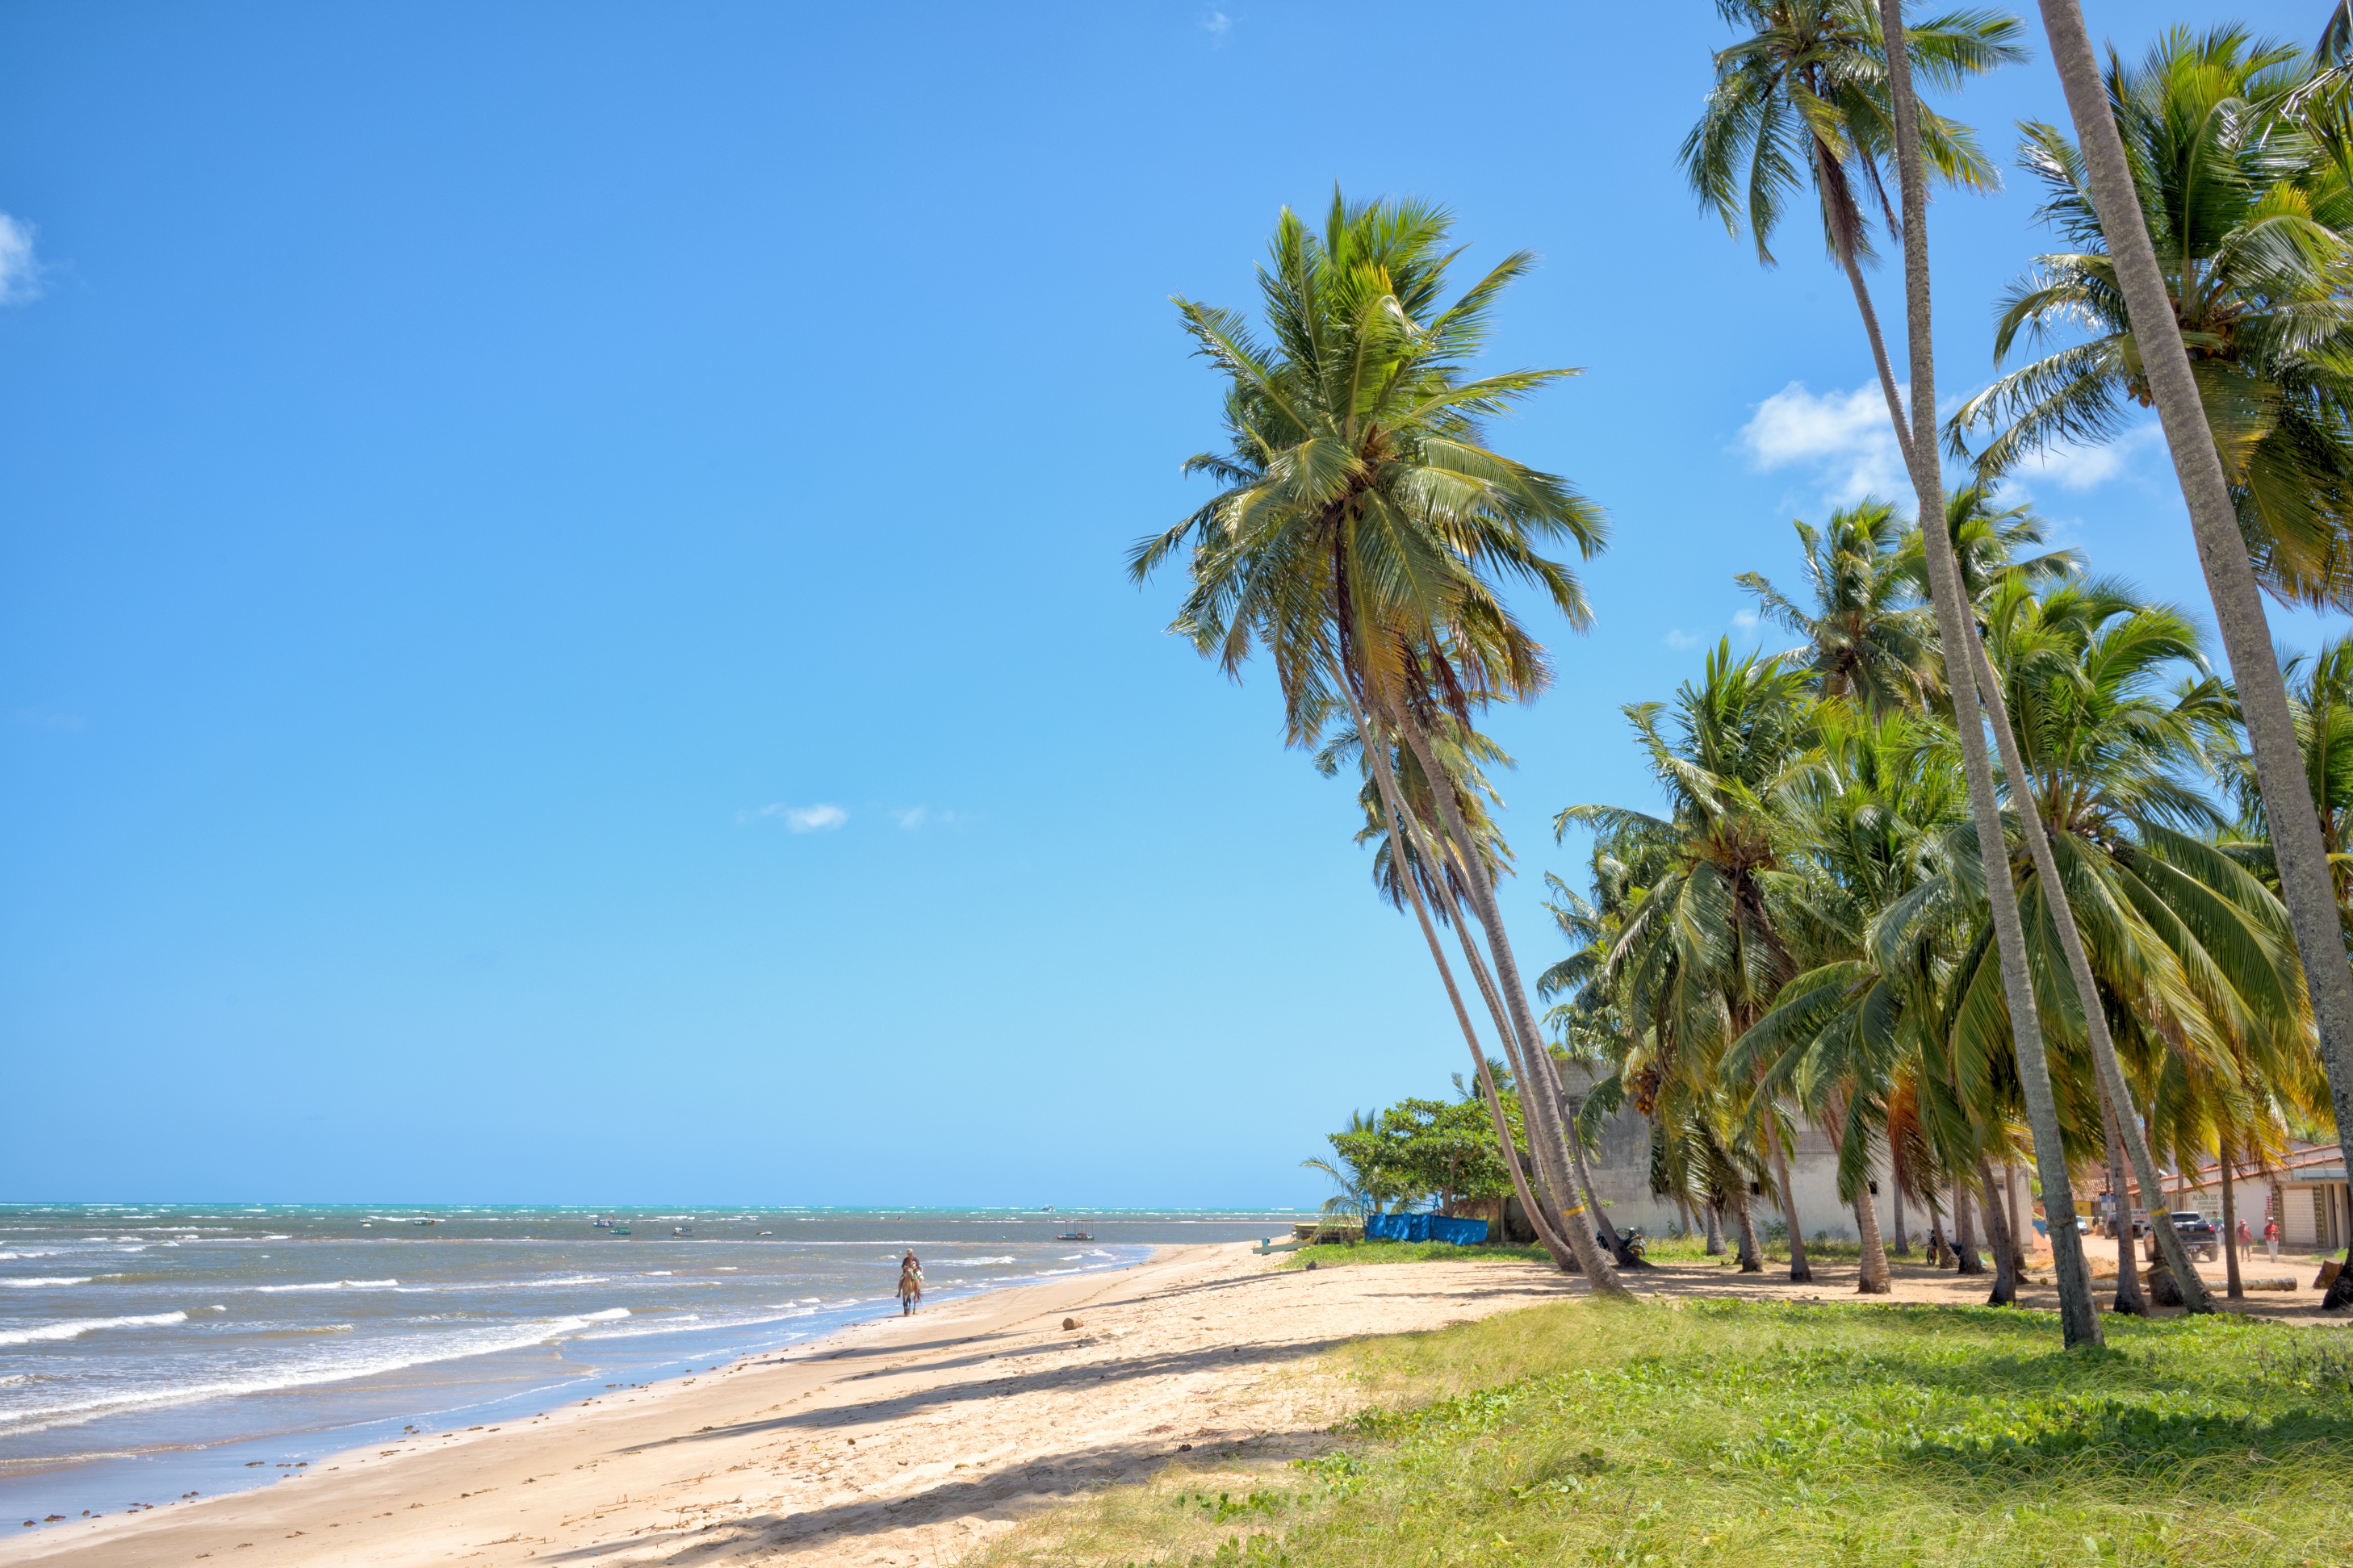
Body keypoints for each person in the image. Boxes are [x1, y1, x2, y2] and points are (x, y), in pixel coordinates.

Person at [897, 1250, 923, 1316]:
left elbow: (918, 1266)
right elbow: (902, 1267)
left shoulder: (915, 1259)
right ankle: (899, 1292)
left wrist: (912, 1268)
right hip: (906, 1273)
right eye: (909, 1254)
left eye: (911, 1253)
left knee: (916, 1281)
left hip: (913, 1273)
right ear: (907, 1254)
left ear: (912, 1253)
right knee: (901, 1280)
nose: (910, 1254)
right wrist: (906, 1268)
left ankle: (916, 1295)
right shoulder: (905, 1259)